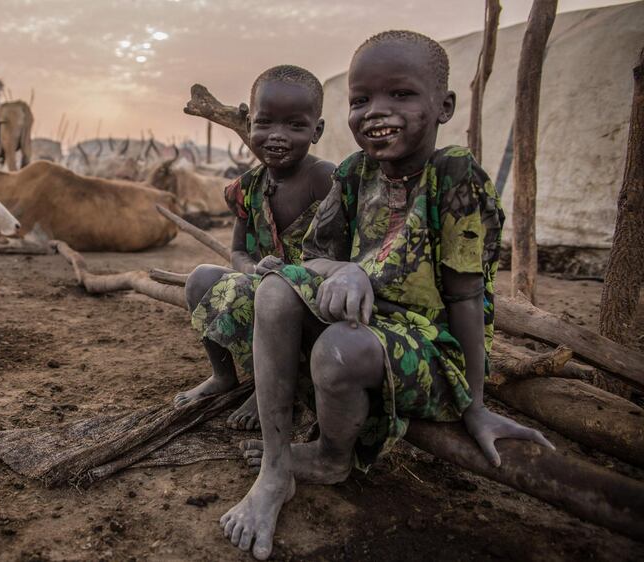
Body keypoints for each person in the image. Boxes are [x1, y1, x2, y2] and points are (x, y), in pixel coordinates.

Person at [220, 31, 555, 560]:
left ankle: (332, 457)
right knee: (275, 288)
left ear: (442, 106)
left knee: (339, 349)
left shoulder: (454, 175)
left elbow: (467, 301)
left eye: (400, 95)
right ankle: (275, 469)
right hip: (365, 323)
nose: (378, 112)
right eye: (362, 100)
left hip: (431, 347)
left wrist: (476, 407)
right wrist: (349, 271)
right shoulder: (354, 174)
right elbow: (311, 261)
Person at [174, 65, 335, 431]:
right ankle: (223, 375)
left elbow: (341, 257)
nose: (277, 136)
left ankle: (274, 386)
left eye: (295, 126)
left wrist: (287, 280)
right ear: (249, 125)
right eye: (265, 123)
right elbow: (237, 252)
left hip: (312, 303)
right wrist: (252, 269)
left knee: (277, 299)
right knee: (201, 279)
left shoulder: (324, 180)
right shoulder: (247, 187)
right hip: (264, 284)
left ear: (317, 130)